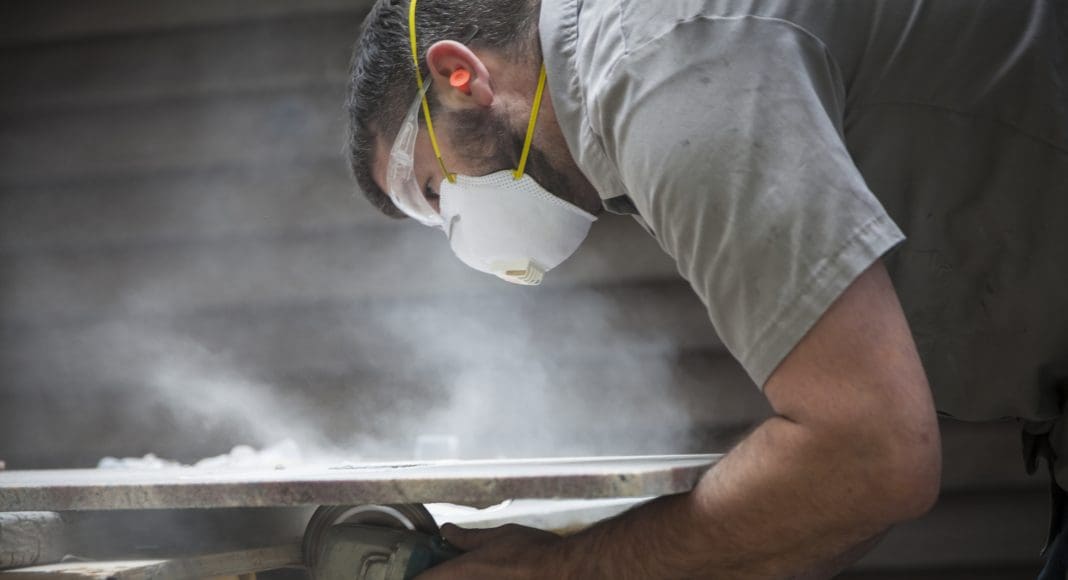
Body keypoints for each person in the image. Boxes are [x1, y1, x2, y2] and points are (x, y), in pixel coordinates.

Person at [346, 0, 1068, 577]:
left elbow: (871, 454)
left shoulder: (664, 74)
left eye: (435, 193)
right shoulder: (644, 79)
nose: (457, 229)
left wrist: (563, 570)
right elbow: (847, 491)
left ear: (461, 76)